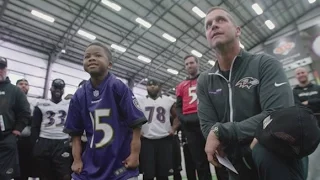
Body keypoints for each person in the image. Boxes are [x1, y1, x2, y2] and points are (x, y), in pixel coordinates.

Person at [198, 6, 304, 180]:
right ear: (207, 38)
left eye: (221, 20)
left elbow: (278, 114)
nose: (213, 26)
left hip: (275, 157)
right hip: (235, 163)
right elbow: (207, 126)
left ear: (238, 30)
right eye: (208, 25)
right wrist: (218, 133)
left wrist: (222, 131)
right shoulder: (204, 80)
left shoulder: (265, 64)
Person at [63, 42, 147, 180]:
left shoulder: (118, 87)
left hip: (120, 165)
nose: (91, 58)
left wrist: (135, 155)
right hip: (90, 164)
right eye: (87, 56)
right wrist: (77, 160)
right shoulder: (79, 95)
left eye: (97, 55)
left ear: (110, 64)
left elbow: (136, 124)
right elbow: (75, 134)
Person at [176, 55, 228, 180]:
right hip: (190, 126)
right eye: (187, 64)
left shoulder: (207, 79)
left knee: (218, 157)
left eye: (191, 63)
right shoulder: (181, 85)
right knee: (199, 162)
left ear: (197, 63)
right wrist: (184, 119)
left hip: (208, 122)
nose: (189, 65)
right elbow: (178, 106)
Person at [138, 79, 179, 180]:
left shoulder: (168, 100)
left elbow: (177, 117)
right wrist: (138, 131)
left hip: (164, 139)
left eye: (155, 85)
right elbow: (132, 117)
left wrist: (173, 129)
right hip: (147, 140)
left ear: (160, 87)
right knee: (148, 174)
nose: (152, 87)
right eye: (149, 85)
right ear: (146, 87)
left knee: (163, 174)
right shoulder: (140, 101)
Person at [31, 78, 71, 180]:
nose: (58, 90)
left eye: (60, 88)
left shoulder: (69, 104)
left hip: (62, 141)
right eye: (55, 87)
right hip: (44, 140)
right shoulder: (41, 105)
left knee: (64, 174)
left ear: (63, 91)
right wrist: (35, 143)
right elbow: (35, 125)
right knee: (45, 174)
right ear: (51, 89)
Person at [0, 57, 30, 180]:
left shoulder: (15, 91)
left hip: (6, 139)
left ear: (6, 70)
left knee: (5, 176)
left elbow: (25, 113)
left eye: (1, 68)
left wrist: (16, 131)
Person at [293, 67, 320, 180]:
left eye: (302, 72)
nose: (301, 74)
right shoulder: (295, 91)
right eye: (298, 73)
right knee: (313, 158)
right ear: (296, 77)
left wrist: (308, 102)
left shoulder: (317, 87)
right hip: (307, 128)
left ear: (307, 73)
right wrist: (315, 103)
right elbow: (297, 106)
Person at [15, 78, 39, 180]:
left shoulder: (33, 103)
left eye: (26, 84)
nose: (23, 86)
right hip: (11, 139)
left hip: (27, 141)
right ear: (15, 86)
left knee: (24, 169)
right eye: (21, 84)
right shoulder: (10, 100)